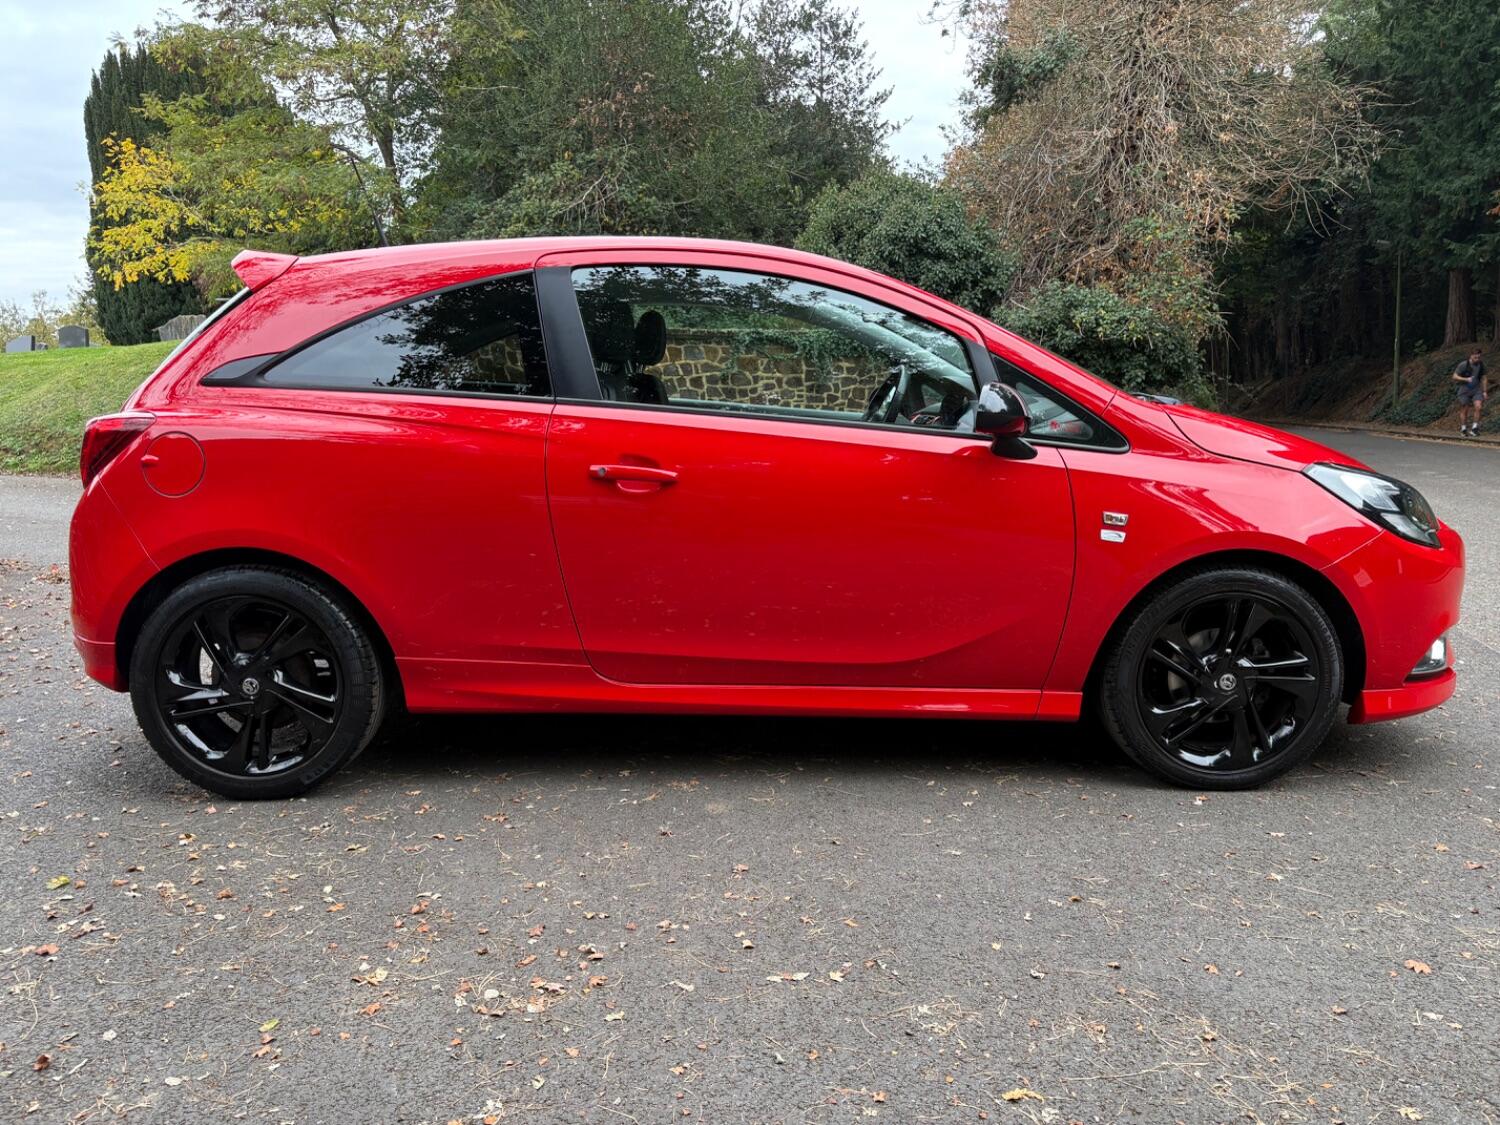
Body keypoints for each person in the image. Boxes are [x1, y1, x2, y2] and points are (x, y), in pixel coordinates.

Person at [1453, 348, 1487, 436]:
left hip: (1476, 389)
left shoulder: (1481, 365)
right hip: (1464, 389)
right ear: (1471, 356)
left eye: (1479, 357)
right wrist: (1465, 379)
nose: (1477, 359)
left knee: (1478, 407)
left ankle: (1474, 428)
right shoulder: (1463, 365)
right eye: (1475, 357)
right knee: (1465, 409)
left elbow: (1484, 378)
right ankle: (1463, 429)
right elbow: (1454, 376)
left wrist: (1484, 391)